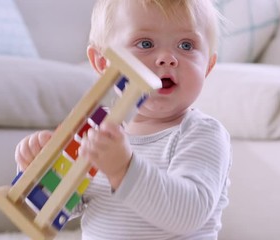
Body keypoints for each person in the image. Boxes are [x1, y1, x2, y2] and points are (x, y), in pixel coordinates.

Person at [15, 0, 232, 239]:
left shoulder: (201, 134)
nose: (168, 58)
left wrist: (124, 169)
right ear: (101, 62)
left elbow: (188, 214)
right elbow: (66, 205)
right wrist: (38, 169)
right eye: (146, 43)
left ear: (208, 66)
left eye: (186, 45)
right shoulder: (97, 131)